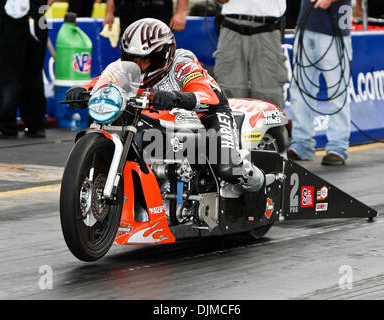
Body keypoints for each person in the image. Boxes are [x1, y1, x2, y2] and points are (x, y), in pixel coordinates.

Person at [65, 18, 270, 219]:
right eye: (133, 59)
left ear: (164, 55)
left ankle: (258, 182)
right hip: (157, 112)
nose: (140, 65)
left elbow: (208, 95)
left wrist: (176, 97)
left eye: (145, 60)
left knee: (227, 167)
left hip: (207, 112)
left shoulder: (182, 65)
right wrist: (84, 91)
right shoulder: (125, 67)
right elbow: (104, 82)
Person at [287, 0, 353, 165]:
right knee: (300, 88)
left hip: (336, 26)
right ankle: (301, 144)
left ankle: (337, 147)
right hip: (306, 23)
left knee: (337, 91)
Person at [0, 0, 54, 139]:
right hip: (38, 21)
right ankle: (36, 126)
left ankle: (6, 126)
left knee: (9, 76)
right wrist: (40, 9)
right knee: (33, 76)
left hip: (12, 21)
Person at [213, 0, 288, 109]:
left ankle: (272, 126)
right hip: (232, 27)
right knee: (230, 94)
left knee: (269, 97)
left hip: (267, 28)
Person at [103, 0, 188, 35]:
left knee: (159, 51)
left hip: (157, 8)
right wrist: (109, 12)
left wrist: (181, 11)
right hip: (128, 9)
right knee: (129, 52)